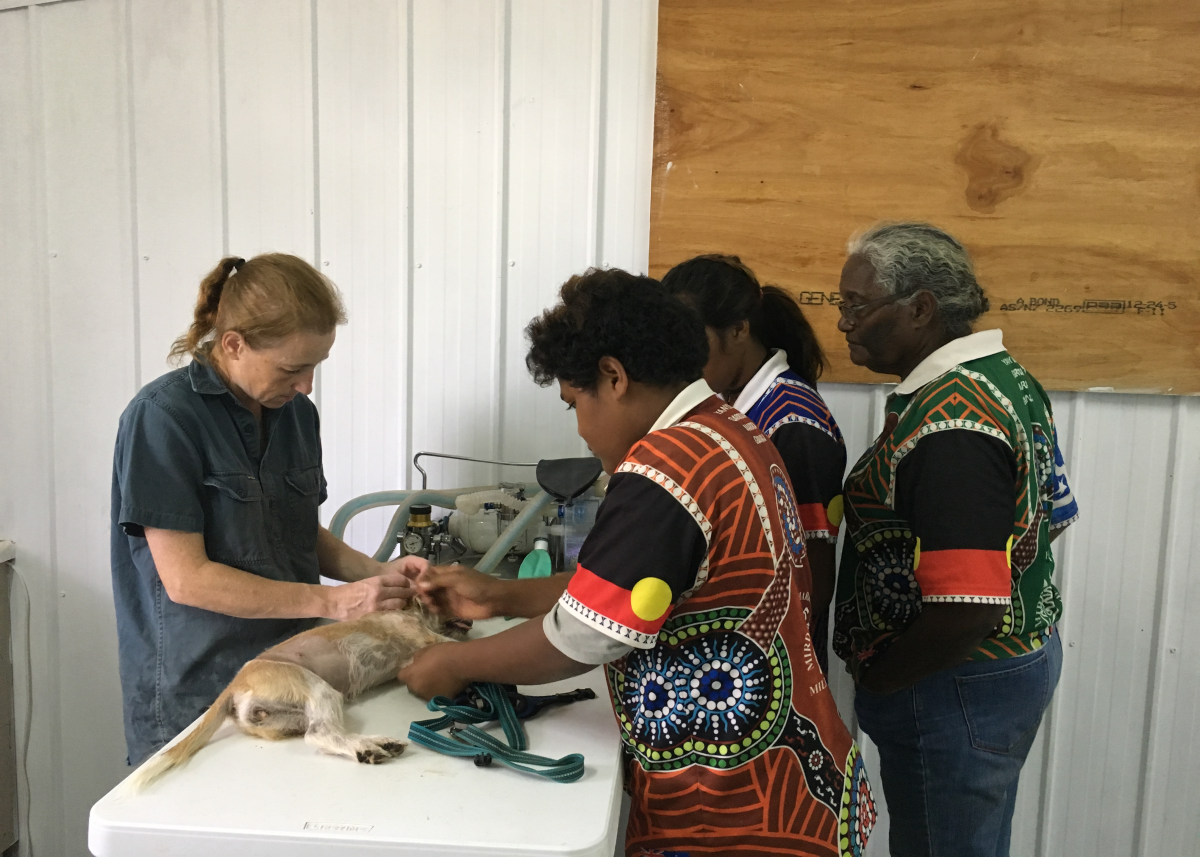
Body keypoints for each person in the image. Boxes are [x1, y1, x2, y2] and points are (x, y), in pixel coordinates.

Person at [400, 269, 875, 857]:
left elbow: (586, 635)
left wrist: (454, 663)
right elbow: (630, 586)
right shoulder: (730, 429)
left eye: (574, 403)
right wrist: (501, 596)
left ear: (614, 376)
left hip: (732, 811)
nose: (579, 428)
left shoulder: (666, 466)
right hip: (796, 780)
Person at [111, 253, 425, 765]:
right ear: (233, 343)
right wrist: (334, 602)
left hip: (297, 675)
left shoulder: (295, 414)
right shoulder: (162, 419)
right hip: (199, 689)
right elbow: (187, 580)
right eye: (292, 368)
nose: (306, 386)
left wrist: (380, 575)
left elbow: (299, 532)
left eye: (315, 367)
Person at [831, 222, 1079, 857]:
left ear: (921, 309)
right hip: (995, 669)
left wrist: (886, 677)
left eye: (856, 306)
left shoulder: (951, 424)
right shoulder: (1002, 376)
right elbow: (1050, 510)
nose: (843, 325)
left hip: (954, 682)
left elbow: (967, 606)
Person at [661, 254, 846, 674]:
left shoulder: (793, 422)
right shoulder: (732, 403)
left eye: (692, 339)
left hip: (770, 656)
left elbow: (813, 573)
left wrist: (755, 656)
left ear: (739, 330)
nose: (681, 358)